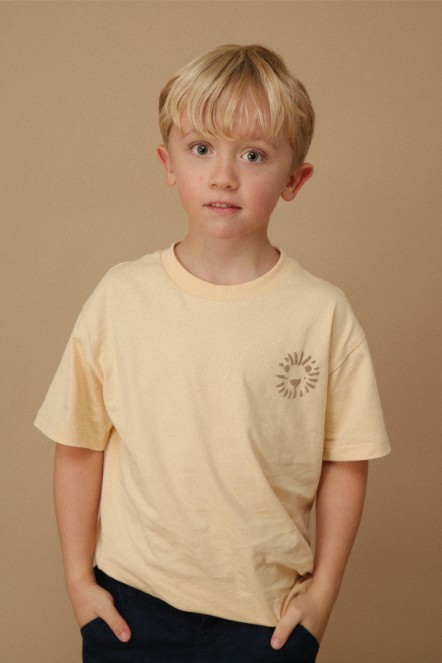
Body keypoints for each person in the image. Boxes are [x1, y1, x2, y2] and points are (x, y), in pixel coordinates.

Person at [34, 44, 390, 662]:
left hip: (266, 619)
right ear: (168, 162)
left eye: (253, 155)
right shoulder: (121, 297)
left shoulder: (323, 315)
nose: (224, 176)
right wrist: (78, 581)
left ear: (295, 179)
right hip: (131, 607)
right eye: (201, 148)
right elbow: (79, 443)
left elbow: (346, 461)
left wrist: (323, 594)